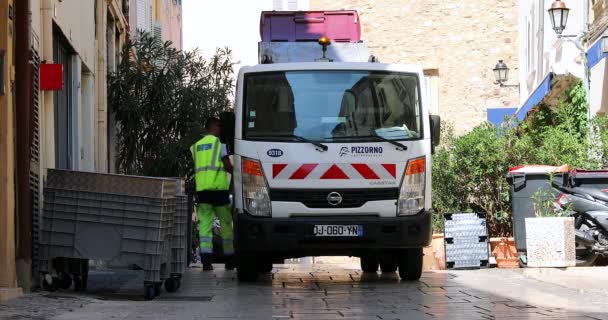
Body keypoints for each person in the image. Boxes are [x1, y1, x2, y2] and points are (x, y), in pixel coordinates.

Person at [190, 118, 234, 271]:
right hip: (219, 191)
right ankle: (229, 260)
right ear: (214, 126)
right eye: (220, 126)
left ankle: (207, 262)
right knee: (226, 225)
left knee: (205, 226)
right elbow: (228, 166)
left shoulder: (196, 147)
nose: (221, 129)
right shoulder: (219, 145)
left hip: (202, 192)